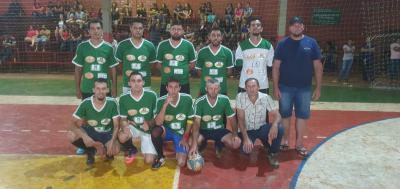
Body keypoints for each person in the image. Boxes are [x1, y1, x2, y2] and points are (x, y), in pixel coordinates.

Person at [272, 16, 323, 157]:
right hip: (285, 88)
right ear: (289, 28)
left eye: (299, 25)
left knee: (302, 116)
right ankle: (285, 140)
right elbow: (276, 67)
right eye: (294, 25)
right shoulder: (282, 44)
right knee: (285, 116)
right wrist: (275, 88)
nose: (297, 27)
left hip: (304, 89)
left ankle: (299, 144)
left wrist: (318, 87)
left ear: (303, 27)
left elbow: (318, 66)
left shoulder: (311, 43)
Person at [68, 78, 120, 166]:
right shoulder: (86, 103)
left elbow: (116, 126)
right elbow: (71, 124)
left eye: (103, 89)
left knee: (115, 150)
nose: (101, 91)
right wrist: (84, 137)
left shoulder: (112, 103)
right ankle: (90, 150)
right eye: (98, 88)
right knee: (71, 135)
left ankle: (105, 149)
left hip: (107, 133)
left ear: (107, 90)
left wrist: (112, 141)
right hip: (91, 132)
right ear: (93, 90)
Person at [236, 78, 284, 168]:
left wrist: (274, 125)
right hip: (248, 130)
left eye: (254, 86)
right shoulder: (240, 97)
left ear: (258, 87)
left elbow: (278, 115)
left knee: (280, 128)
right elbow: (240, 119)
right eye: (248, 87)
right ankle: (263, 143)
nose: (251, 89)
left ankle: (272, 153)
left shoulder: (265, 97)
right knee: (245, 151)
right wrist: (246, 138)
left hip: (262, 128)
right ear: (245, 88)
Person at [189, 79, 240, 158]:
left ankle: (219, 144)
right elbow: (196, 124)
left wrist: (235, 135)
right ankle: (203, 143)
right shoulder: (199, 101)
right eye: (210, 88)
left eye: (216, 88)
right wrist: (194, 144)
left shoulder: (224, 99)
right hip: (203, 130)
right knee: (191, 142)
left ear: (219, 89)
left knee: (236, 143)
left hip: (219, 130)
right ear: (206, 89)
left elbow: (232, 119)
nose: (213, 91)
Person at [151, 78, 194, 169]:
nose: (173, 90)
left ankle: (179, 147)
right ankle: (160, 156)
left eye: (176, 87)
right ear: (166, 88)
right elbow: (158, 123)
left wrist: (185, 137)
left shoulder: (187, 99)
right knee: (155, 132)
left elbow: (190, 120)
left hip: (180, 133)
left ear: (179, 88)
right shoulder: (160, 100)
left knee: (181, 162)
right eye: (170, 87)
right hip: (167, 131)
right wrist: (165, 105)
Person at [72, 19, 119, 100]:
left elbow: (113, 70)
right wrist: (77, 88)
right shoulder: (82, 47)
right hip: (87, 88)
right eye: (92, 29)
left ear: (102, 30)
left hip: (104, 89)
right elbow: (78, 69)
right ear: (89, 31)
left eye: (98, 28)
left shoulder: (109, 48)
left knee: (105, 112)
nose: (95, 31)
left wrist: (114, 87)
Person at [118, 72, 158, 165]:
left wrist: (149, 124)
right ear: (129, 83)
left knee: (149, 161)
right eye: (133, 81)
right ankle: (132, 148)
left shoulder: (152, 95)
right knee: (122, 136)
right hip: (133, 127)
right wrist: (125, 127)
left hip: (147, 130)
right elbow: (123, 119)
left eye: (139, 81)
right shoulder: (123, 98)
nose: (136, 83)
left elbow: (156, 117)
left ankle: (147, 144)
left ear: (143, 82)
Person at [115, 18, 157, 94]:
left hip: (145, 84)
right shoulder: (122, 45)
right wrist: (128, 72)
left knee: (144, 106)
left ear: (143, 29)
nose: (138, 30)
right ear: (131, 29)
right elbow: (119, 64)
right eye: (135, 28)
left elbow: (152, 65)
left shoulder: (150, 46)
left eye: (140, 28)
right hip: (128, 84)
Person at [155, 22, 197, 96]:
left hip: (183, 83)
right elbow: (158, 64)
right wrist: (166, 72)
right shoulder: (162, 45)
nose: (176, 31)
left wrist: (184, 70)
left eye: (179, 29)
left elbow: (193, 63)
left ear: (183, 31)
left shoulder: (188, 45)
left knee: (184, 105)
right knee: (165, 104)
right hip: (166, 83)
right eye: (173, 29)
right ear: (170, 30)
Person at [236, 17, 274, 94]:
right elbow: (238, 66)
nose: (256, 27)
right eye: (253, 25)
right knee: (242, 106)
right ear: (249, 29)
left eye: (258, 25)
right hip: (245, 85)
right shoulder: (242, 46)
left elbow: (270, 67)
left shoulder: (268, 46)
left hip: (262, 86)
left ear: (261, 29)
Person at [196, 28, 234, 96]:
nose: (216, 38)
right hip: (205, 89)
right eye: (213, 35)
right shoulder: (202, 52)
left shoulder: (228, 52)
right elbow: (199, 70)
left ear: (221, 37)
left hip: (221, 89)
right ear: (209, 37)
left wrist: (219, 77)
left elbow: (229, 71)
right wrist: (207, 79)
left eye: (218, 35)